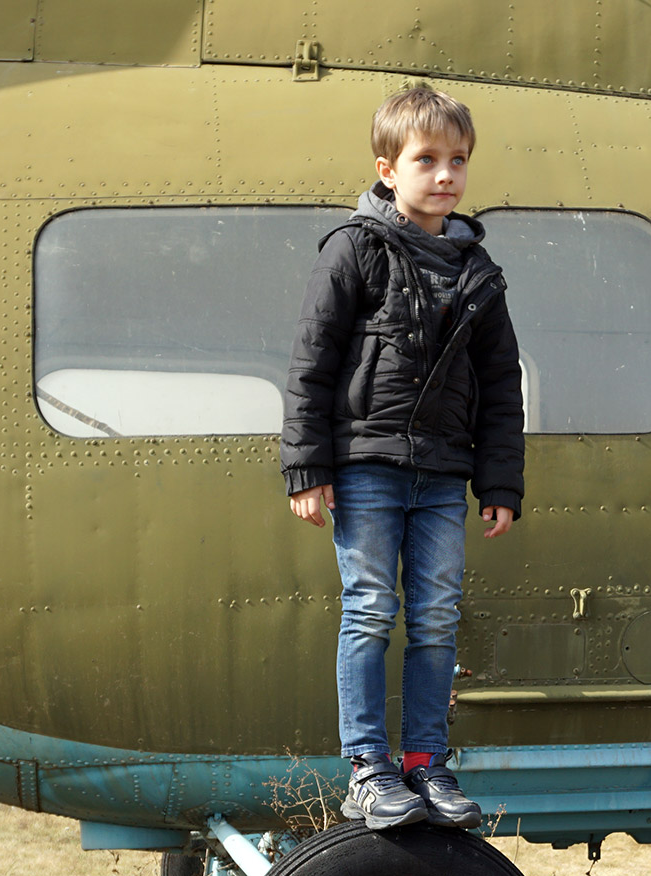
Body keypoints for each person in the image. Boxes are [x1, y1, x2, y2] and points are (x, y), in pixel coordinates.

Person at [280, 84, 524, 831]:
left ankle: (425, 763)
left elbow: (501, 384)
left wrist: (500, 481)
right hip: (367, 467)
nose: (446, 174)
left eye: (459, 159)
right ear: (387, 169)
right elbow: (312, 362)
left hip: (443, 475)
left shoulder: (476, 270)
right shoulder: (355, 249)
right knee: (370, 609)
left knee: (437, 616)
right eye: (427, 159)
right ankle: (367, 768)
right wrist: (308, 469)